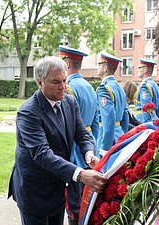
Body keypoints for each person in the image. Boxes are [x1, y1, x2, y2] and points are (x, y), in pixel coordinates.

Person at [8, 56, 107, 225]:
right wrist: (80, 174)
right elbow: (42, 154)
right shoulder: (28, 112)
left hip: (58, 187)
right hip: (34, 191)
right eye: (55, 82)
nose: (63, 87)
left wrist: (88, 152)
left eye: (64, 80)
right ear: (39, 83)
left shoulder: (69, 101)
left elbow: (82, 134)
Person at [59, 45, 100, 225]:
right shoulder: (89, 86)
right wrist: (94, 148)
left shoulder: (68, 87)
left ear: (66, 64)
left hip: (74, 151)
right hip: (88, 150)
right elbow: (96, 121)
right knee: (86, 202)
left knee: (74, 206)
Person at [96, 51, 129, 157]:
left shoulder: (104, 88)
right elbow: (125, 115)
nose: (98, 67)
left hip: (107, 138)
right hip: (119, 134)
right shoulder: (119, 87)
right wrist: (123, 136)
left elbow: (108, 118)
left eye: (99, 65)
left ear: (105, 68)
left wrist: (105, 147)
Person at [134, 58, 159, 123]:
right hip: (153, 120)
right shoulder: (154, 85)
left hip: (143, 121)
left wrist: (145, 126)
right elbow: (158, 107)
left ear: (145, 70)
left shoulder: (145, 86)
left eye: (140, 68)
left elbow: (146, 108)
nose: (138, 70)